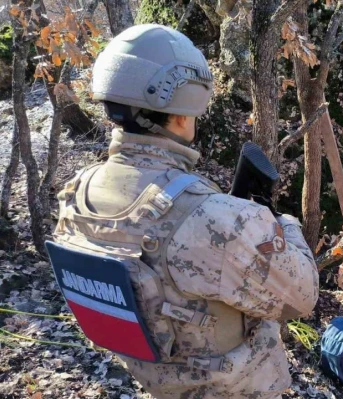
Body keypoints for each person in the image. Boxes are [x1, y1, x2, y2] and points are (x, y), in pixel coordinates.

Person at [48, 25, 318, 399]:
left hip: (153, 382)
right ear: (181, 113)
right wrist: (284, 225)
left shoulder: (76, 191)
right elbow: (301, 298)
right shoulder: (215, 219)